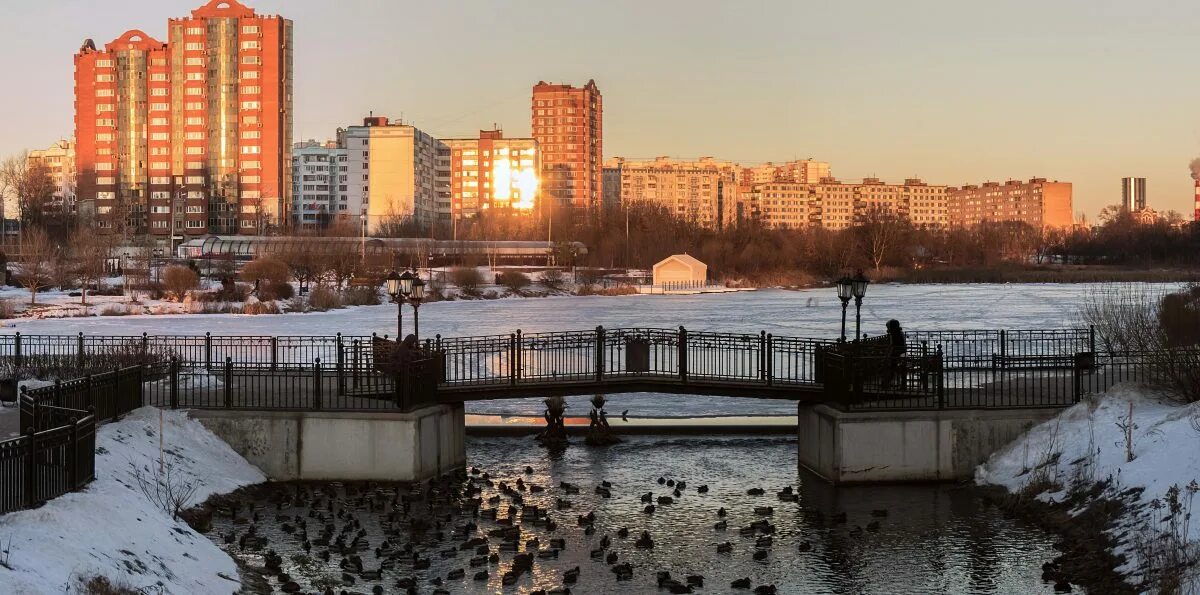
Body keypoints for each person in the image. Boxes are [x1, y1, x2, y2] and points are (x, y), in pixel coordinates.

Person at [882, 319, 907, 389]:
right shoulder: (900, 332)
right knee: (901, 369)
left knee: (891, 368)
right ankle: (903, 385)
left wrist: (888, 354)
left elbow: (892, 345)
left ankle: (886, 383)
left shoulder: (894, 334)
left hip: (897, 353)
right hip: (903, 352)